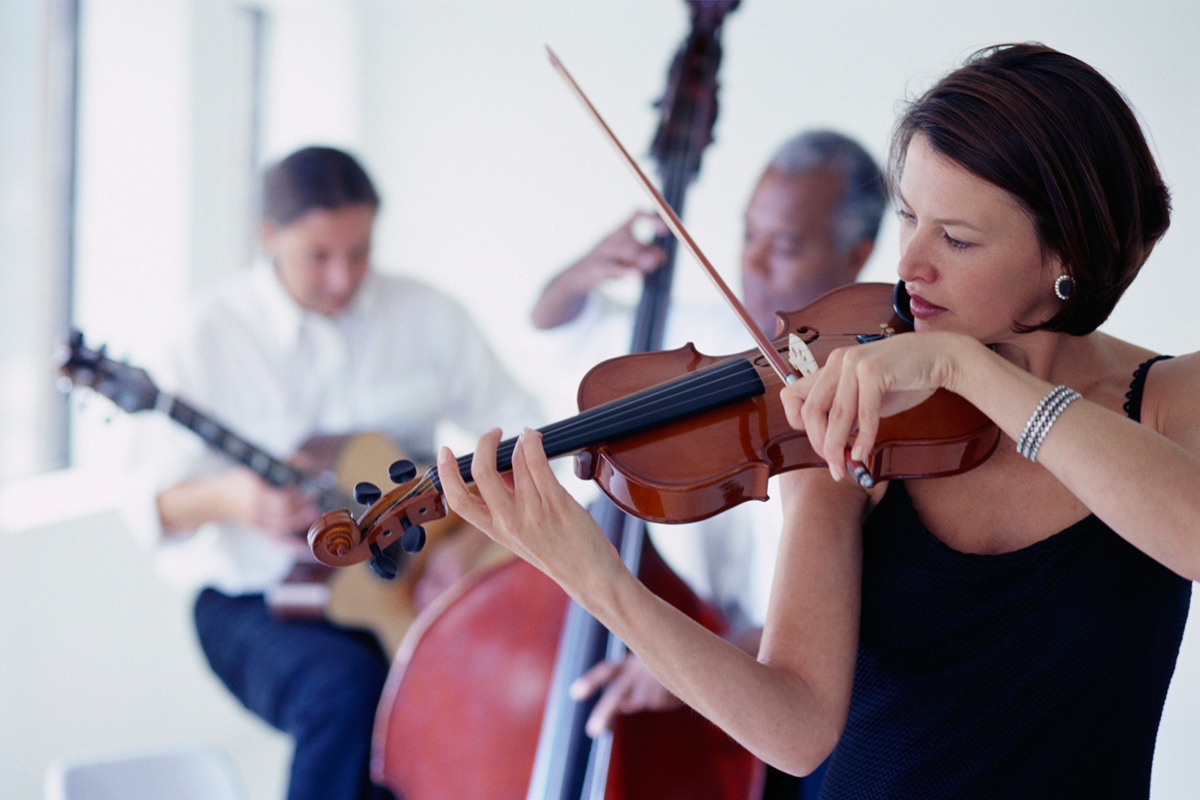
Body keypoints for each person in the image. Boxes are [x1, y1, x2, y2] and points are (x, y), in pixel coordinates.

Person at [440, 43, 1196, 799]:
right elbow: (795, 730)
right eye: (908, 215)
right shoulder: (849, 407)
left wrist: (968, 368)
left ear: (1067, 252)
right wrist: (596, 579)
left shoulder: (1171, 399)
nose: (907, 265)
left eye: (956, 238)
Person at [121, 146, 540, 800]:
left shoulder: (427, 314)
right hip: (257, 604)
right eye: (319, 256)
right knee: (343, 695)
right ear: (269, 237)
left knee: (489, 687)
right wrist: (240, 500)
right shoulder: (203, 334)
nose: (344, 277)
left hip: (407, 586)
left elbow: (526, 441)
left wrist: (472, 544)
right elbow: (147, 506)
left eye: (360, 251)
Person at [530, 129, 887, 798]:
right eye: (747, 234)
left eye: (783, 246)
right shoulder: (706, 351)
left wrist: (696, 654)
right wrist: (586, 269)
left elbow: (845, 612)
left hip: (821, 719)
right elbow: (556, 325)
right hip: (698, 672)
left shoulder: (877, 397)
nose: (751, 262)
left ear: (857, 253)